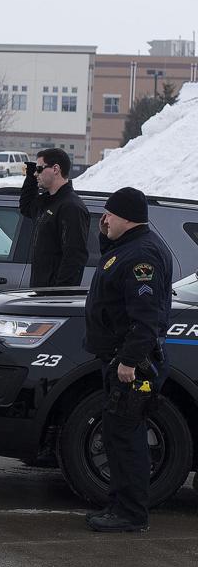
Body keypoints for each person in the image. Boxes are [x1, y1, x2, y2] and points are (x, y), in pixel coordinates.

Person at [82, 187, 172, 533]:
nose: (104, 219)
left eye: (109, 215)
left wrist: (129, 361)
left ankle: (130, 513)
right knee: (119, 433)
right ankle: (119, 506)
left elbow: (146, 318)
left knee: (126, 437)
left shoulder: (142, 257)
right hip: (119, 357)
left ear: (128, 217)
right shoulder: (128, 248)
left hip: (132, 363)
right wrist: (106, 238)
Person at [19, 147, 89, 287]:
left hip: (53, 297)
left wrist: (58, 295)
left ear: (56, 169)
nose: (35, 174)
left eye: (39, 169)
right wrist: (32, 174)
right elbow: (26, 207)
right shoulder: (48, 202)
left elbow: (74, 257)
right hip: (41, 292)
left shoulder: (71, 207)